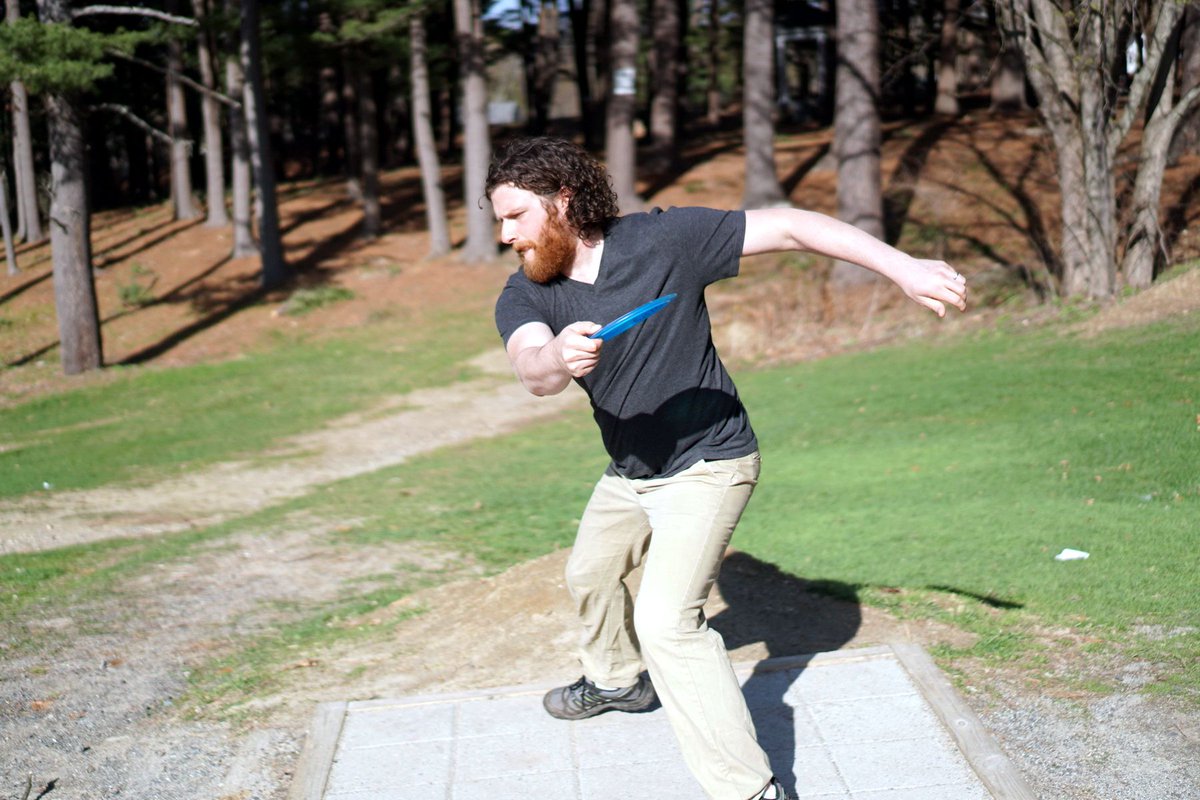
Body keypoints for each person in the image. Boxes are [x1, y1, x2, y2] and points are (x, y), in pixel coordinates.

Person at [486, 136, 967, 800]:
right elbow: (531, 369)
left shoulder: (666, 240)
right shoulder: (528, 294)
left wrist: (902, 266)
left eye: (515, 216)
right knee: (590, 573)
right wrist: (558, 359)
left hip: (711, 460)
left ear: (562, 201)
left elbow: (794, 224)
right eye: (499, 220)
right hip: (633, 470)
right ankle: (618, 683)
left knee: (666, 623)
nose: (504, 234)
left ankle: (748, 790)